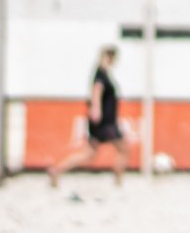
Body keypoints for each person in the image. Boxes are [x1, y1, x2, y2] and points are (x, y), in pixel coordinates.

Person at [48, 47, 134, 187]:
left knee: (89, 154)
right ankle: (118, 183)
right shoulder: (100, 73)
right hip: (105, 121)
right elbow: (96, 91)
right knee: (123, 149)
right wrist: (96, 109)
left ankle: (56, 170)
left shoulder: (103, 73)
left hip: (103, 121)